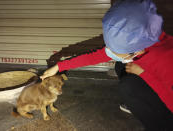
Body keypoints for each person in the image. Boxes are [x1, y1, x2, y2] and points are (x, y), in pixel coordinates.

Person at [40, 0, 173, 130]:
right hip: (149, 72)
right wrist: (58, 67)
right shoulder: (139, 40)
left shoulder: (166, 60)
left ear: (136, 50)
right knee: (121, 66)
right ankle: (140, 103)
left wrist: (144, 74)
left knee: (129, 86)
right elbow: (95, 56)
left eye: (115, 51)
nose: (109, 52)